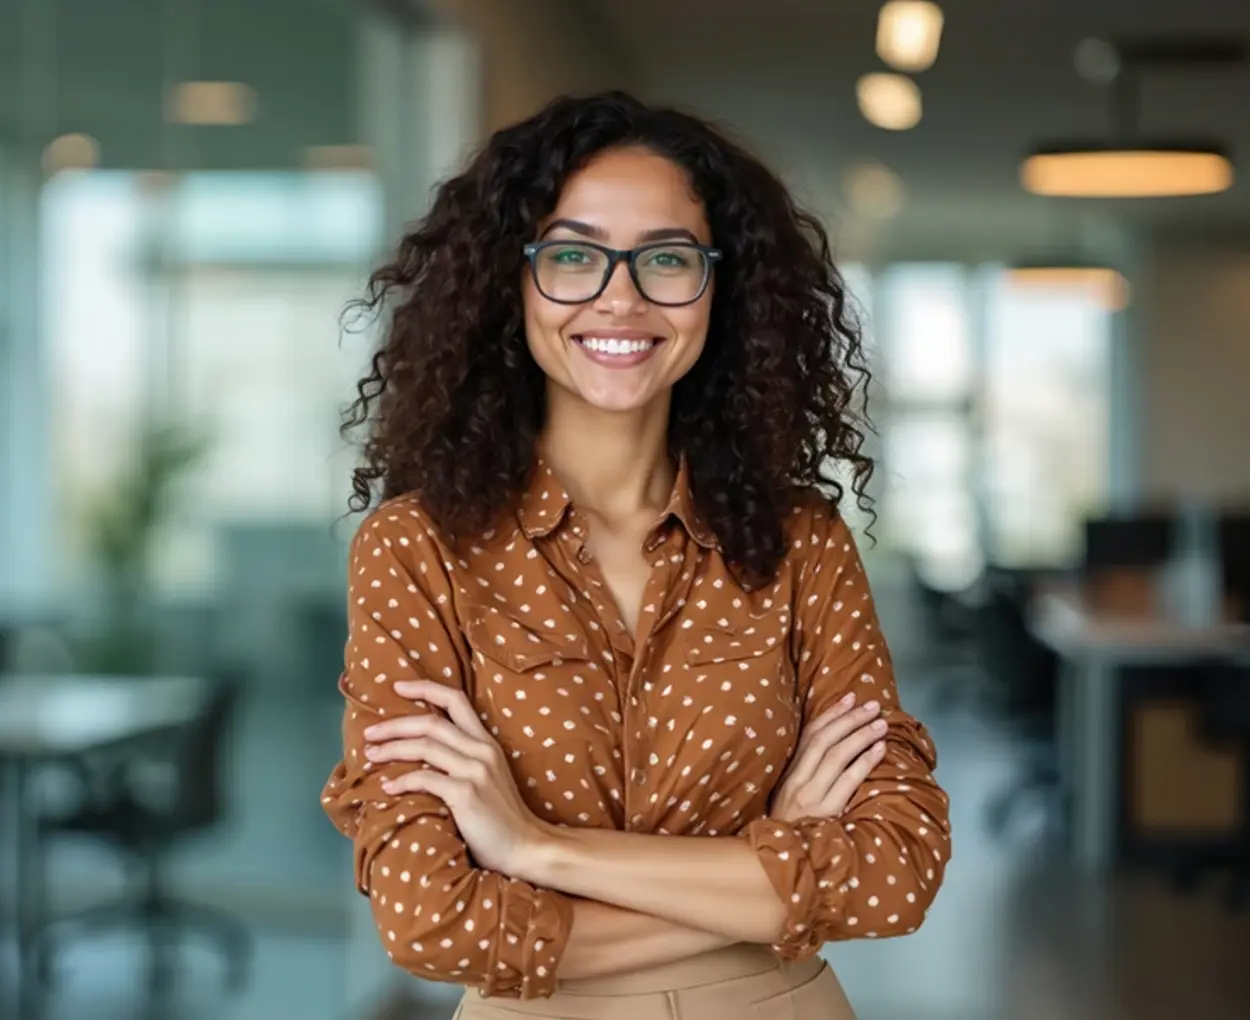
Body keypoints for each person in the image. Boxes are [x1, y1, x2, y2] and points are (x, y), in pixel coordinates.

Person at [320, 91, 950, 1020]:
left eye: (666, 258)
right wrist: (775, 873)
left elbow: (896, 872)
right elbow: (432, 920)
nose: (620, 296)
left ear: (719, 286)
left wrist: (537, 851)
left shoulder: (802, 545)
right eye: (572, 255)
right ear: (512, 282)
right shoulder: (418, 551)